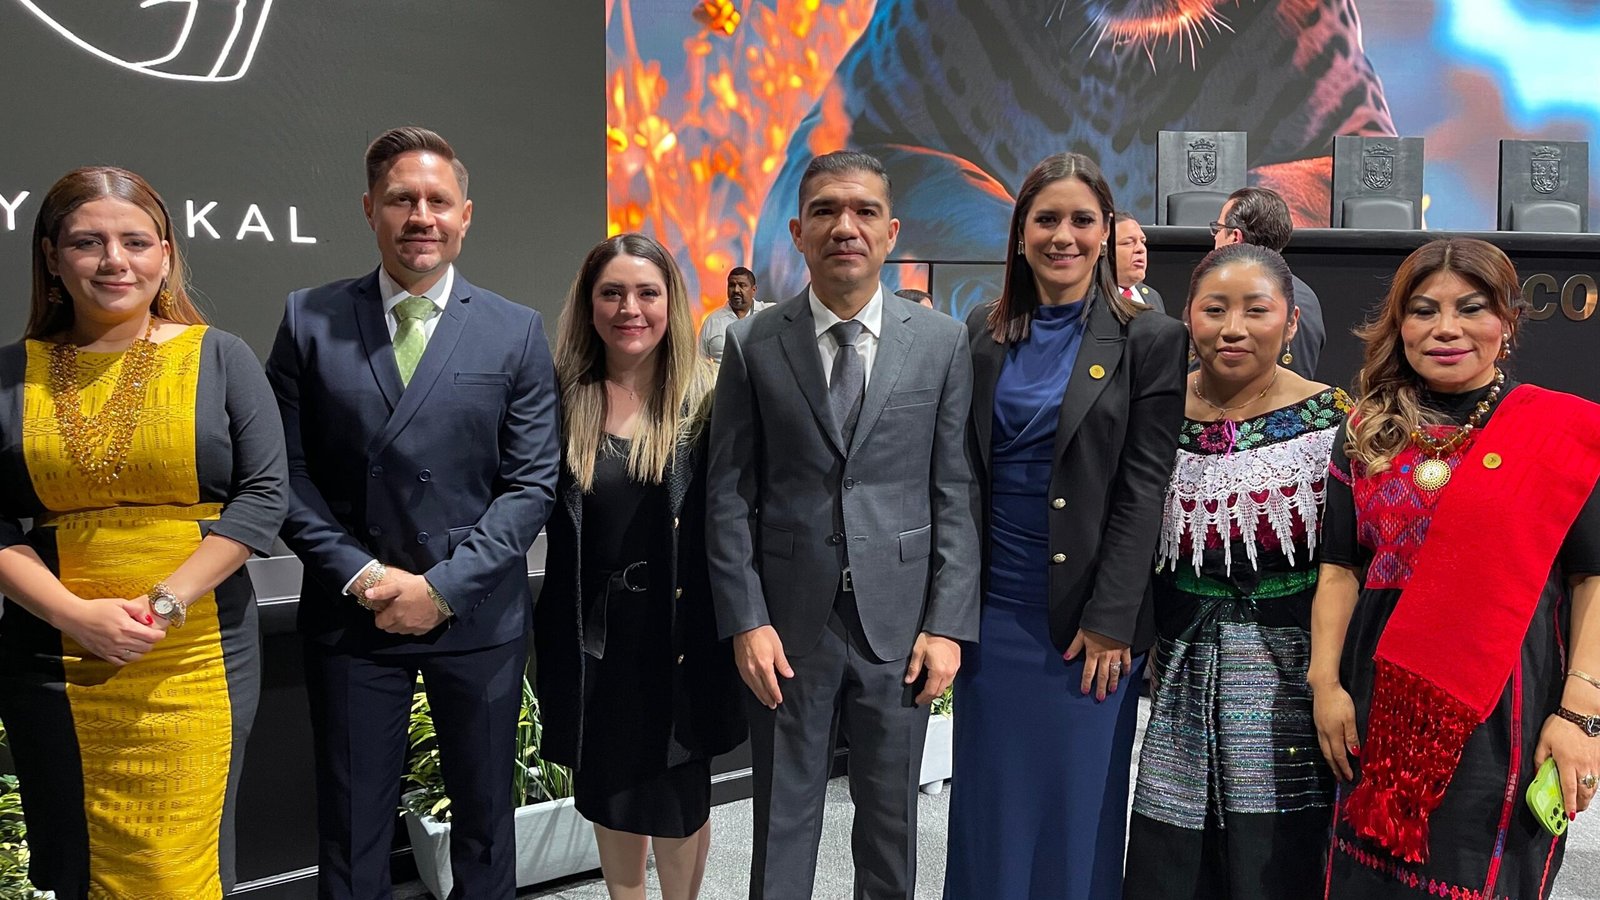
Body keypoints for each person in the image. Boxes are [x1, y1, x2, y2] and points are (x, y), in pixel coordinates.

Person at [265, 126, 560, 900]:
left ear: (466, 215)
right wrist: (366, 577)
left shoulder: (515, 328)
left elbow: (531, 483)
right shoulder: (308, 319)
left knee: (487, 823)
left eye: (437, 200)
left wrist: (443, 589)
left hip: (477, 614)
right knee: (351, 826)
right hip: (353, 613)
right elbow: (285, 475)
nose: (421, 216)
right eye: (402, 199)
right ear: (370, 209)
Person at [0, 167, 287, 899]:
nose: (114, 261)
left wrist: (162, 604)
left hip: (195, 652)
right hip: (55, 657)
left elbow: (263, 499)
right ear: (51, 257)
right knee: (79, 863)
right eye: (87, 242)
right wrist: (75, 615)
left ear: (165, 254)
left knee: (178, 862)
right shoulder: (10, 375)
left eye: (134, 241)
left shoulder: (219, 356)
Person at [706, 150, 980, 900]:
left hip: (902, 626)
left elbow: (955, 489)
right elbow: (728, 494)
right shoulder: (753, 342)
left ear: (892, 232)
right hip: (787, 629)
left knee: (891, 827)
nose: (844, 226)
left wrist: (948, 624)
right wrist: (746, 620)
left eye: (864, 211)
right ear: (798, 232)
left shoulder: (942, 342)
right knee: (782, 824)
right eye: (825, 210)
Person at [1310, 238, 1600, 897]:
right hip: (1376, 698)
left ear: (1507, 321)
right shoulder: (1366, 430)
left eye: (1471, 308)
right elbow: (1340, 568)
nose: (1446, 328)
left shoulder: (1561, 433)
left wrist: (1581, 713)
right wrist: (1325, 685)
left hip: (1502, 703)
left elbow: (1592, 577)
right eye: (1423, 310)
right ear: (1400, 325)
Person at [944, 152, 1187, 900]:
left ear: (1106, 232)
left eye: (1082, 220)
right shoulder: (982, 335)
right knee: (990, 812)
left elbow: (1144, 488)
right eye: (1046, 219)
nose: (1063, 236)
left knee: (1075, 817)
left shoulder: (1151, 338)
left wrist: (1113, 618)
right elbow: (964, 476)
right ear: (1020, 234)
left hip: (1088, 627)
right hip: (994, 619)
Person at [1123, 243, 1343, 899]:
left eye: (1256, 310)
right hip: (1180, 667)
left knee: (1279, 854)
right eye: (1214, 310)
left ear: (1292, 321)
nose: (1233, 329)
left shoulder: (1333, 421)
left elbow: (1349, 564)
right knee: (1173, 854)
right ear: (1188, 317)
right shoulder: (1153, 409)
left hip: (1291, 679)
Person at [535, 233, 744, 900]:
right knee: (614, 797)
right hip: (599, 643)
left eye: (647, 293)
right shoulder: (559, 400)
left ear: (670, 302)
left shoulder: (708, 396)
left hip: (684, 633)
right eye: (612, 293)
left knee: (680, 800)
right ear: (588, 305)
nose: (630, 308)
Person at [1211, 187, 1324, 377]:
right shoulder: (1308, 296)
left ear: (1235, 237)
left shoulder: (1224, 297)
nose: (1215, 236)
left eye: (1218, 229)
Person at [699, 266, 772, 362]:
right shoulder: (713, 321)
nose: (736, 290)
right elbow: (700, 361)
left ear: (753, 290)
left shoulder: (769, 313)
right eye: (732, 285)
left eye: (742, 285)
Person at [1112, 212, 1166, 314]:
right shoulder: (1090, 297)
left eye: (1143, 242)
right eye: (1128, 242)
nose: (1141, 249)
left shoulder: (1153, 296)